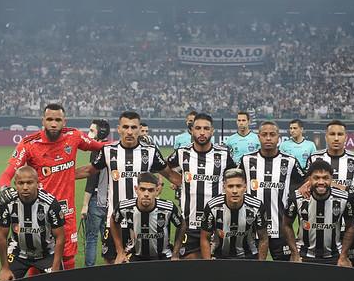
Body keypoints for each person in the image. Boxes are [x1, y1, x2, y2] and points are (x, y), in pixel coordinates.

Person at [0, 104, 106, 270]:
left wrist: (126, 144)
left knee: (68, 258)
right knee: (37, 258)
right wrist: (4, 188)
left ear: (64, 121)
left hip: (66, 212)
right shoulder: (29, 144)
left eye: (57, 120)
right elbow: (7, 174)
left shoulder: (73, 136)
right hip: (38, 213)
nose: (53, 124)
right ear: (43, 121)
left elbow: (101, 147)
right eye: (49, 119)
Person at [75, 111, 181, 264]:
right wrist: (61, 174)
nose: (129, 131)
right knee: (111, 263)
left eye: (133, 127)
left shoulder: (150, 152)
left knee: (142, 267)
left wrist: (191, 185)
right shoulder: (108, 151)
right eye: (125, 127)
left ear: (139, 129)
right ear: (119, 129)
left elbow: (170, 175)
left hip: (143, 222)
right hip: (115, 220)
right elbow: (88, 171)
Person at [166, 113, 235, 259]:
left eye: (206, 128)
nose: (202, 132)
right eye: (198, 128)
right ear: (191, 130)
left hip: (218, 224)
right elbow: (164, 166)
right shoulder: (182, 153)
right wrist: (177, 180)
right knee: (189, 267)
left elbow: (236, 177)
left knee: (219, 271)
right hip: (190, 224)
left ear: (212, 131)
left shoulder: (223, 154)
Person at [303, 120, 354, 268]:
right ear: (326, 136)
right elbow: (307, 186)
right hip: (321, 224)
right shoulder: (315, 158)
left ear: (346, 137)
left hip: (351, 225)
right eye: (332, 134)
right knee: (321, 265)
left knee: (353, 268)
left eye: (340, 134)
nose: (336, 138)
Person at [238, 121, 303, 261]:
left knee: (283, 275)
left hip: (281, 229)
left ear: (278, 137)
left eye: (272, 135)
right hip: (252, 229)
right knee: (252, 275)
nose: (268, 138)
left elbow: (304, 183)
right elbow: (234, 183)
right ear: (258, 137)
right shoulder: (246, 160)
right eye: (264, 135)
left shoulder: (290, 161)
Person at [0, 166, 65, 281]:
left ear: (38, 183)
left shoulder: (50, 203)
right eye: (21, 183)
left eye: (29, 183)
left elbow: (60, 237)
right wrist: (4, 268)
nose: (25, 187)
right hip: (18, 252)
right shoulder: (7, 203)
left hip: (47, 253)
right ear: (15, 184)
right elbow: (1, 236)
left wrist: (55, 268)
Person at [286, 160, 354, 266]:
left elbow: (350, 226)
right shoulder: (297, 198)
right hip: (304, 255)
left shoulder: (344, 198)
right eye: (316, 178)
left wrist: (343, 256)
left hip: (334, 256)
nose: (321, 182)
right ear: (309, 179)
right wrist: (295, 254)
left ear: (331, 179)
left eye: (325, 178)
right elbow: (286, 224)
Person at [111, 173, 185, 263]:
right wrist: (120, 251)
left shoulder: (168, 208)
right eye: (142, 189)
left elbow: (182, 225)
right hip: (135, 255)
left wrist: (176, 253)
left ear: (157, 191)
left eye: (150, 190)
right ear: (136, 189)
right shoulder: (125, 207)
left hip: (163, 255)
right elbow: (114, 221)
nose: (146, 194)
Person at [200, 168, 268, 260]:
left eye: (238, 186)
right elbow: (205, 238)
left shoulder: (256, 206)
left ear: (245, 187)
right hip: (220, 257)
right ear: (224, 187)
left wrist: (260, 266)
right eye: (230, 186)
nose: (235, 191)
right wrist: (207, 265)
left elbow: (263, 238)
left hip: (248, 257)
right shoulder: (212, 206)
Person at [80, 119, 111, 267]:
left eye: (92, 130)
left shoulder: (97, 150)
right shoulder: (113, 147)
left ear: (101, 132)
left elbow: (91, 179)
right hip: (110, 200)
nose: (88, 134)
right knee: (108, 238)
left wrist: (85, 205)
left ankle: (89, 270)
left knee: (91, 237)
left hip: (96, 200)